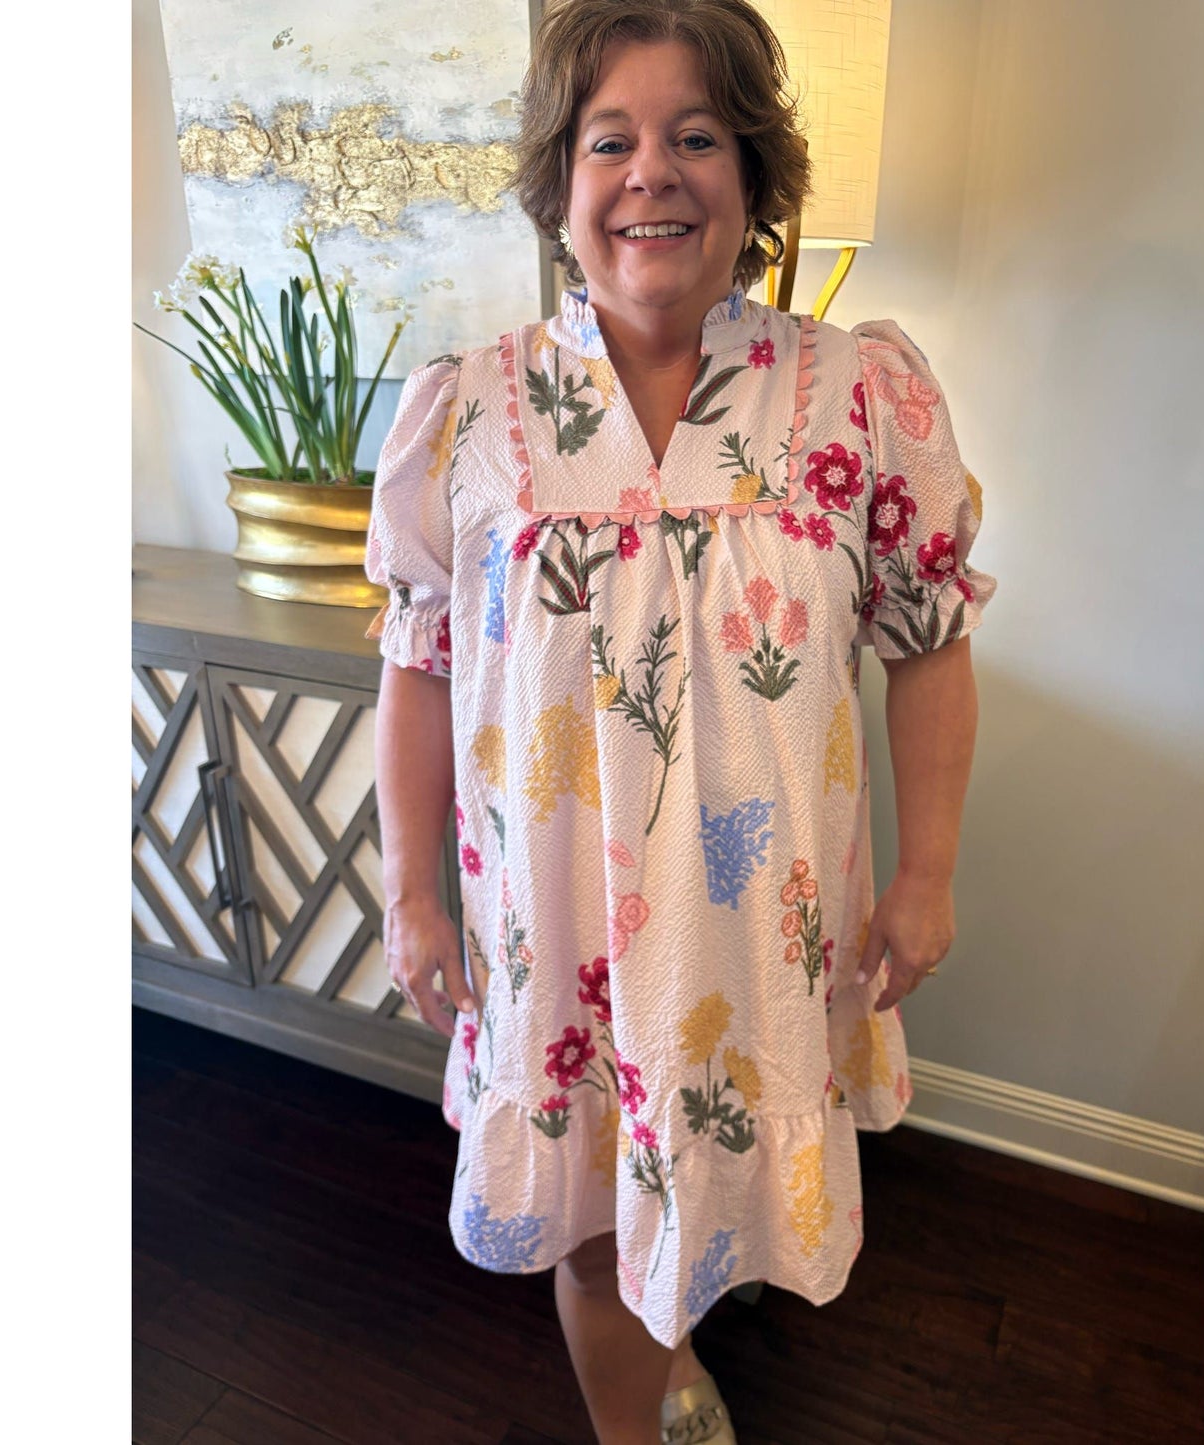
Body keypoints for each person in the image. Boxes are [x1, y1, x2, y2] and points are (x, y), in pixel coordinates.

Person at [366, 2, 997, 1441]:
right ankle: (634, 1413)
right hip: (556, 936)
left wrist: (925, 869)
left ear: (754, 175)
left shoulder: (859, 399)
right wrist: (412, 896)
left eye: (694, 136)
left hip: (763, 931)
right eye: (611, 140)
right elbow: (417, 662)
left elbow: (930, 636)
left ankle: (689, 1345)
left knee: (723, 1175)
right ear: (559, 183)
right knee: (593, 1214)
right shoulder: (467, 418)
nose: (651, 171)